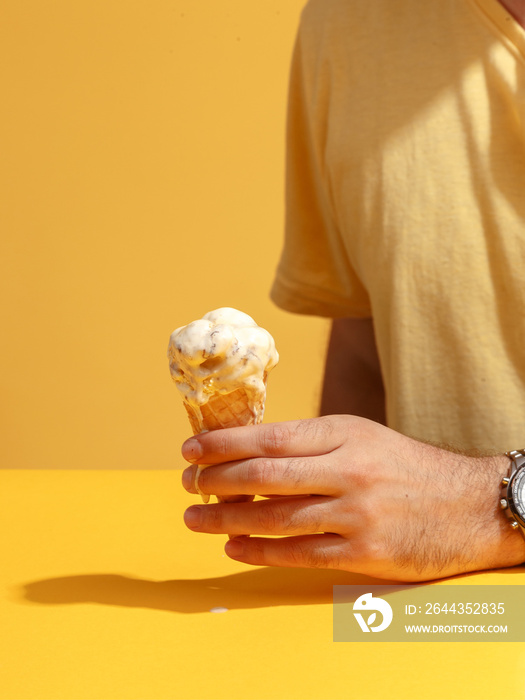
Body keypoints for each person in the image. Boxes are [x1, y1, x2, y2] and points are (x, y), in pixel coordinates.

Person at [181, 0, 525, 582]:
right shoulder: (348, 21)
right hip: (441, 622)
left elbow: (464, 507)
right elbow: (368, 335)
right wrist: (321, 530)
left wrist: (483, 504)